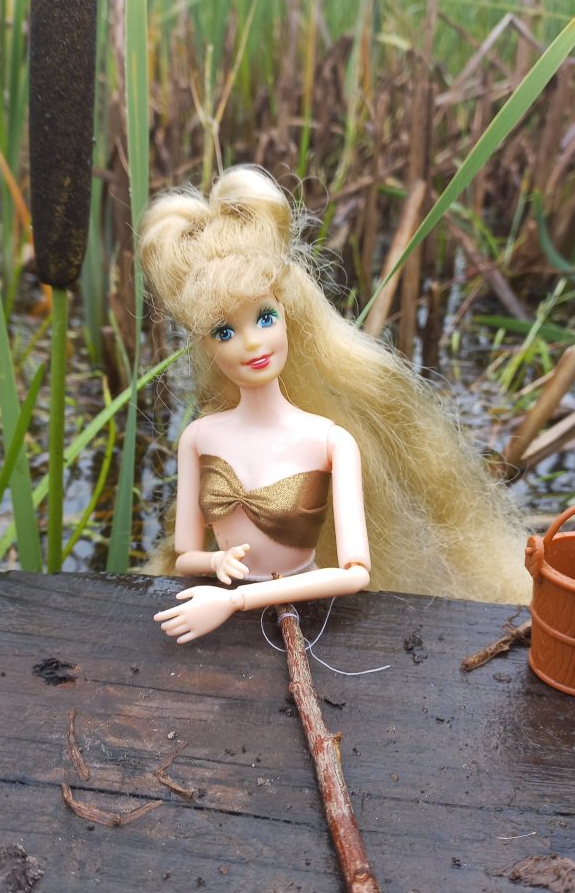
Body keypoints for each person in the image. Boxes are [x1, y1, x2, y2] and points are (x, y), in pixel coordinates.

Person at [138, 166, 531, 641]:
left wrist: (235, 599)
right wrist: (215, 562)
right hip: (224, 628)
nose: (252, 343)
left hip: (297, 622)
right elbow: (185, 555)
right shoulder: (199, 438)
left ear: (288, 314)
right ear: (205, 346)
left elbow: (354, 574)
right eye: (224, 331)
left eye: (264, 318)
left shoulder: (330, 440)